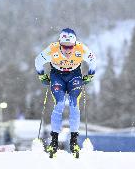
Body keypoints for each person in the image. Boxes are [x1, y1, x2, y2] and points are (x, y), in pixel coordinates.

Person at [35, 28, 96, 156]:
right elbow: (38, 61)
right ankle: (54, 141)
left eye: (70, 47)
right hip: (57, 76)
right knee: (60, 104)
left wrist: (90, 75)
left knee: (74, 104)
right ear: (59, 43)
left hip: (74, 75)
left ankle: (74, 141)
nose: (68, 50)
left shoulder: (81, 48)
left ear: (75, 44)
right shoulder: (52, 49)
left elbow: (93, 60)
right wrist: (42, 75)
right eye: (64, 47)